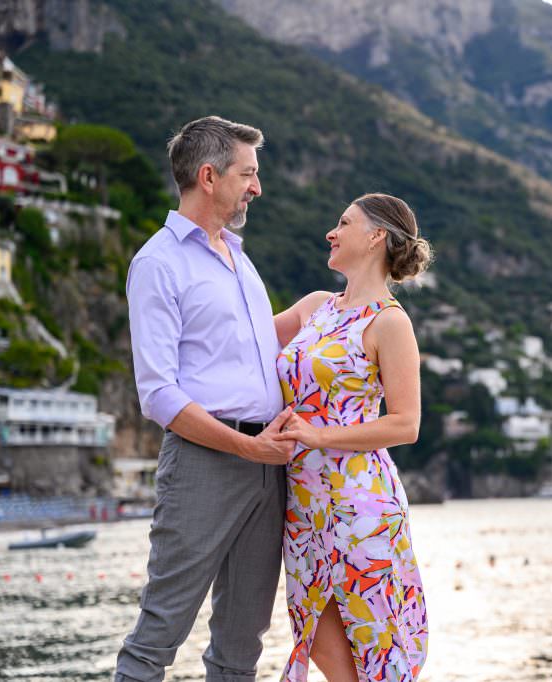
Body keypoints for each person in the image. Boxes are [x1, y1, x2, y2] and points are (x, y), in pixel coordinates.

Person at [116, 115, 297, 682]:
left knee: (242, 646)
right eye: (248, 174)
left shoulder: (239, 258)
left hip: (269, 465)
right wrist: (247, 449)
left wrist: (316, 310)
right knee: (158, 635)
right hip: (204, 464)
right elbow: (158, 394)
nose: (257, 187)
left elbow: (248, 349)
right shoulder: (158, 263)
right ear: (209, 176)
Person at [272, 193, 432, 681]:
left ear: (376, 236)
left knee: (376, 644)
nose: (331, 232)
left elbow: (405, 424)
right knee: (315, 635)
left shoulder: (390, 321)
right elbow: (241, 344)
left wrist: (320, 436)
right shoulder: (315, 307)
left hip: (360, 502)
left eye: (343, 223)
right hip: (303, 503)